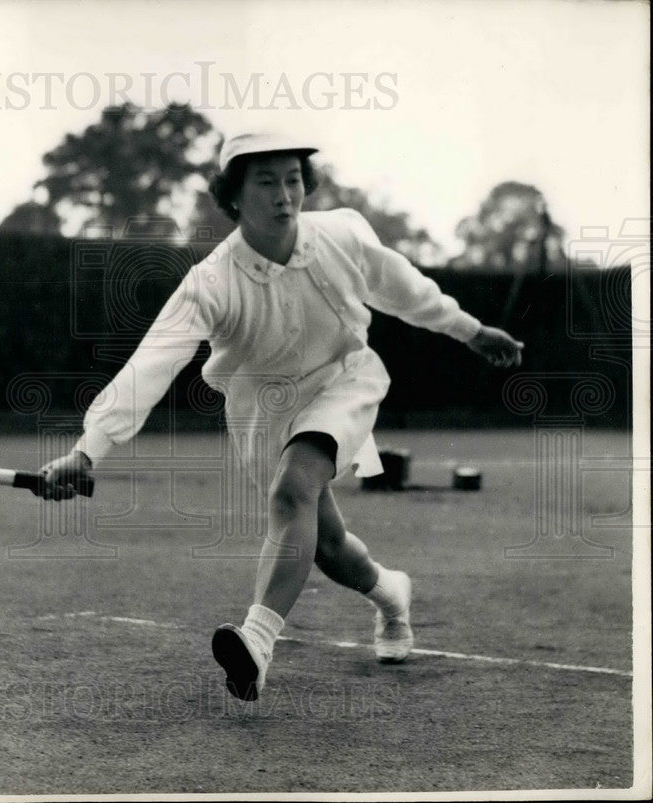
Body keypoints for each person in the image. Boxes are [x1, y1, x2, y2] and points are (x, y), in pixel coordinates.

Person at [38, 131, 524, 701]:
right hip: (260, 412)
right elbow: (151, 365)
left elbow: (406, 290)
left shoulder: (341, 236)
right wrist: (87, 451)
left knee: (293, 491)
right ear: (234, 196)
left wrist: (470, 330)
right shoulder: (210, 283)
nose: (284, 194)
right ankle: (391, 594)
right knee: (328, 547)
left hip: (343, 381)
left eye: (293, 179)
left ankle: (257, 643)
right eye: (266, 182)